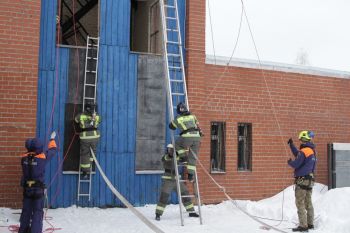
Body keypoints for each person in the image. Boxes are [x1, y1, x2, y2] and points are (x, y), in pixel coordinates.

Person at [19, 131, 57, 233]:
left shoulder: (23, 159)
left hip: (27, 190)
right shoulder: (42, 158)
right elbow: (52, 151)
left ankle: (23, 230)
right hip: (38, 190)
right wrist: (52, 139)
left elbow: (31, 158)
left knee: (26, 211)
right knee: (37, 212)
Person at [155, 144, 199, 221]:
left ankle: (191, 211)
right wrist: (171, 154)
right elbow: (167, 158)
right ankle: (158, 214)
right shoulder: (165, 157)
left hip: (177, 180)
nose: (171, 151)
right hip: (168, 180)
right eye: (169, 149)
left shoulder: (178, 157)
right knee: (164, 196)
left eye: (172, 150)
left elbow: (185, 159)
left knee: (185, 193)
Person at [287, 130, 317, 232]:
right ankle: (310, 224)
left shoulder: (304, 151)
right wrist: (291, 145)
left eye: (300, 140)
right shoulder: (311, 150)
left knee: (300, 203)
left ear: (303, 139)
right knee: (308, 202)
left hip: (302, 181)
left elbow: (297, 163)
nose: (300, 141)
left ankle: (303, 226)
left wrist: (290, 162)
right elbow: (298, 155)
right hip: (310, 180)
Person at [169, 102, 202, 182]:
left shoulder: (179, 118)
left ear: (179, 111)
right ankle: (190, 176)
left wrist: (175, 119)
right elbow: (198, 126)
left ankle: (183, 157)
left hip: (187, 137)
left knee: (177, 144)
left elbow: (171, 127)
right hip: (197, 138)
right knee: (193, 157)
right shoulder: (193, 116)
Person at [75, 103, 101, 177]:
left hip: (85, 137)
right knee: (93, 151)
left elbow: (76, 120)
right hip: (95, 136)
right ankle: (91, 163)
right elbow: (99, 120)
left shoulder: (81, 115)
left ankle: (85, 172)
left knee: (85, 154)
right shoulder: (97, 116)